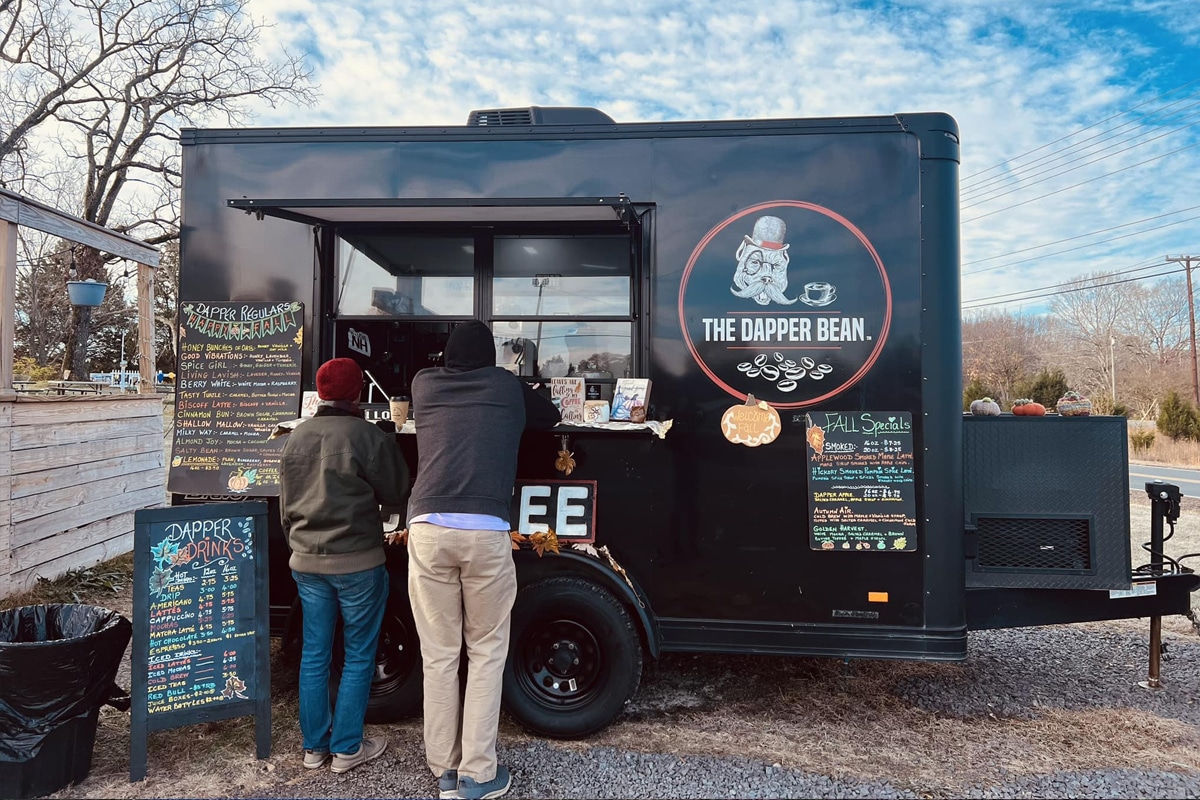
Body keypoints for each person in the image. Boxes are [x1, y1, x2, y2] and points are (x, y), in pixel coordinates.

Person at [407, 320, 560, 800]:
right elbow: (551, 415)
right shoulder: (505, 386)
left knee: (439, 654)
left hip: (427, 528)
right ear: (490, 356)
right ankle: (477, 773)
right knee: (487, 653)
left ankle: (444, 768)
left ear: (447, 356)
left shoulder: (423, 384)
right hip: (485, 531)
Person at [279, 357, 410, 774]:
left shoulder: (295, 438)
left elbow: (286, 510)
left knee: (314, 654)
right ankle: (348, 748)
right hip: (358, 563)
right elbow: (397, 491)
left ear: (320, 393)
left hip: (307, 562)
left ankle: (314, 748)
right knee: (358, 655)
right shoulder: (367, 435)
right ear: (357, 393)